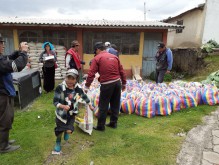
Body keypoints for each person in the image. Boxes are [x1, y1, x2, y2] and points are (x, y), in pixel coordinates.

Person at [84, 42, 126, 131]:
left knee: (103, 105)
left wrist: (87, 86)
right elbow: (122, 71)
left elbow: (91, 73)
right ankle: (113, 123)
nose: (95, 53)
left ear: (98, 49)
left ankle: (100, 126)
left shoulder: (97, 58)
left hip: (107, 84)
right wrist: (124, 83)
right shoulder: (114, 57)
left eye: (95, 51)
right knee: (115, 104)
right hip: (117, 83)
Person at [0, 35, 29, 153]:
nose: (3, 45)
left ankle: (4, 141)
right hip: (2, 95)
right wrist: (23, 53)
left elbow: (9, 57)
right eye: (1, 43)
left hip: (4, 92)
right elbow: (17, 66)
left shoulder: (1, 58)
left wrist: (18, 51)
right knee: (4, 121)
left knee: (7, 118)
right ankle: (3, 146)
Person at [53, 69, 94, 152]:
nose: (70, 81)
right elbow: (55, 102)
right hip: (61, 115)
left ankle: (67, 132)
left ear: (76, 79)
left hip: (72, 114)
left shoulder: (77, 87)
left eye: (73, 78)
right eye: (69, 78)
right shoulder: (60, 87)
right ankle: (58, 142)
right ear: (65, 77)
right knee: (60, 130)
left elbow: (83, 95)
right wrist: (63, 106)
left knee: (69, 130)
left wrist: (89, 104)